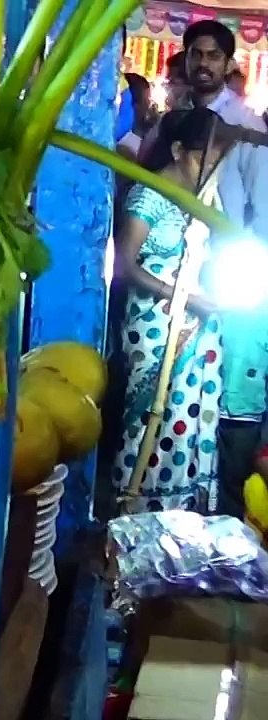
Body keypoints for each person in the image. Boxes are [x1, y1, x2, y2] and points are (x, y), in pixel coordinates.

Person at [113, 108, 236, 513]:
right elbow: (125, 267)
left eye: (217, 158)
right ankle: (137, 508)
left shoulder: (204, 196)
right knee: (152, 415)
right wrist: (180, 296)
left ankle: (183, 512)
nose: (211, 167)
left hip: (197, 321)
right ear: (179, 150)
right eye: (205, 157)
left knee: (188, 418)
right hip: (156, 326)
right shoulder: (148, 195)